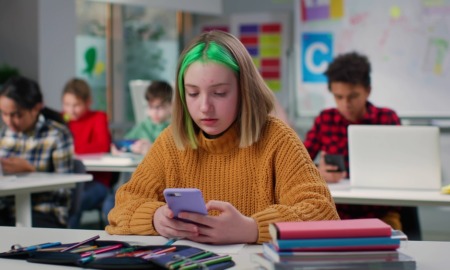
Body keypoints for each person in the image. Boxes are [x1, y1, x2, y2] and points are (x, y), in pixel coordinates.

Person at [105, 30, 339, 244]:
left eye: (219, 93)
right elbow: (123, 206)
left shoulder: (277, 138)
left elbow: (323, 213)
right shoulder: (171, 141)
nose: (205, 106)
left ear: (244, 91)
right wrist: (155, 218)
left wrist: (253, 229)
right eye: (193, 93)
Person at [303, 51, 403, 229]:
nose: (345, 104)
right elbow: (298, 167)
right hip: (335, 211)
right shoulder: (325, 119)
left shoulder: (387, 119)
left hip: (381, 212)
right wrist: (318, 171)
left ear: (368, 91)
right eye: (338, 97)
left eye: (353, 96)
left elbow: (405, 166)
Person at [0, 76, 74, 227]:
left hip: (44, 211)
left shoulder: (57, 134)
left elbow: (64, 190)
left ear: (35, 109)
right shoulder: (5, 133)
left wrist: (31, 170)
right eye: (4, 114)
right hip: (7, 208)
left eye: (17, 115)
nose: (9, 121)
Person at [103, 80, 173, 222]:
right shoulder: (143, 125)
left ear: (171, 106)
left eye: (160, 107)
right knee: (110, 204)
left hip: (160, 187)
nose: (154, 112)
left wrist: (151, 149)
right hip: (138, 182)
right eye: (151, 107)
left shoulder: (173, 127)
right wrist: (121, 148)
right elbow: (128, 141)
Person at [61, 78, 113, 228]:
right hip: (69, 179)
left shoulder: (98, 117)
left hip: (97, 181)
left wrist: (71, 148)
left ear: (88, 102)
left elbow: (103, 145)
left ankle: (68, 238)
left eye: (76, 105)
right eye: (67, 105)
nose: (70, 110)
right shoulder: (62, 119)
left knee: (74, 199)